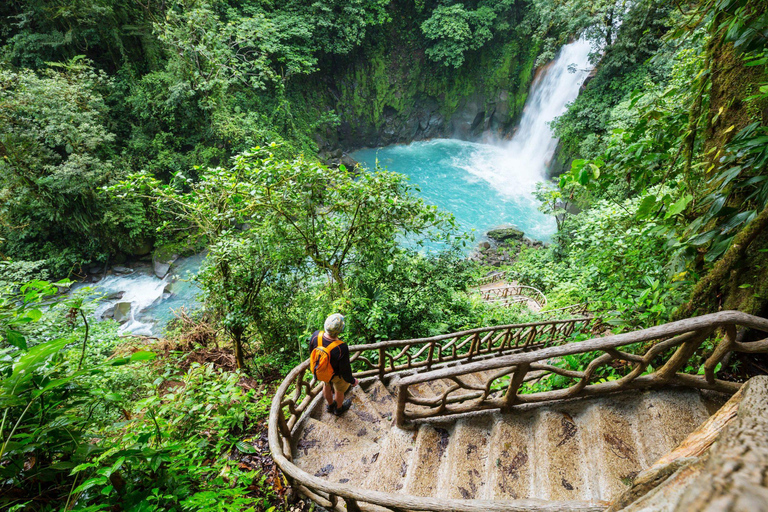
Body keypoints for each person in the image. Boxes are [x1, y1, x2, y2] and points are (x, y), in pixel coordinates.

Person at [309, 313, 357, 416]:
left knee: (326, 385)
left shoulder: (316, 335)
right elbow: (345, 369)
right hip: (336, 375)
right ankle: (338, 409)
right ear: (340, 330)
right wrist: (352, 380)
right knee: (339, 391)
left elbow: (312, 353)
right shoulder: (341, 347)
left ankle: (330, 405)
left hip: (323, 371)